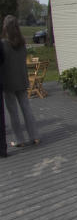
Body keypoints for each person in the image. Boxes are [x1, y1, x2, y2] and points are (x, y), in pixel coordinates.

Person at [1, 15, 40, 147]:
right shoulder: (22, 43)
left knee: (13, 113)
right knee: (26, 109)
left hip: (8, 83)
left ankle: (19, 140)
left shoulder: (3, 44)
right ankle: (34, 136)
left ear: (5, 27)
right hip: (22, 80)